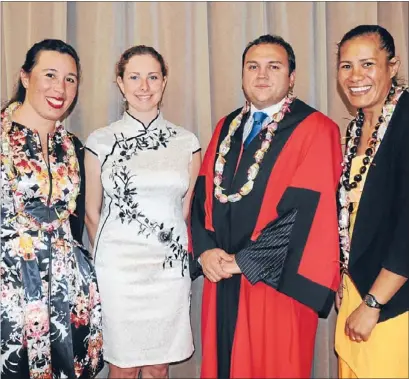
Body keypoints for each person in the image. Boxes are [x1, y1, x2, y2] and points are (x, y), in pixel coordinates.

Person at [189, 34, 342, 378]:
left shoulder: (317, 129)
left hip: (273, 284)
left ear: (292, 77)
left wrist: (243, 263)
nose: (261, 75)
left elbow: (310, 215)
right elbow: (201, 198)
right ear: (242, 75)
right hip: (220, 277)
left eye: (274, 66)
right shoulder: (226, 127)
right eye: (253, 66)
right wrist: (205, 252)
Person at [84, 45, 201, 379]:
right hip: (119, 272)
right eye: (134, 77)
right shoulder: (101, 141)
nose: (144, 86)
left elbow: (185, 211)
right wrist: (113, 260)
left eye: (152, 77)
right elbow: (92, 213)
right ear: (120, 83)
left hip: (168, 272)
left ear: (164, 82)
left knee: (159, 366)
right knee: (122, 366)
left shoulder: (187, 142)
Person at [0, 39, 103, 379]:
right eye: (49, 75)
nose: (60, 88)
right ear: (25, 77)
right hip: (9, 287)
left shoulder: (72, 146)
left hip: (64, 291)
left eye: (70, 79)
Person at [335, 25, 409, 379]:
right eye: (346, 66)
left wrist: (374, 302)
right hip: (357, 290)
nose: (355, 76)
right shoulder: (355, 129)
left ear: (392, 66)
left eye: (367, 64)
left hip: (393, 301)